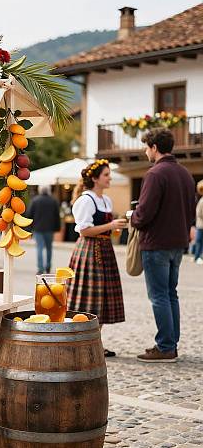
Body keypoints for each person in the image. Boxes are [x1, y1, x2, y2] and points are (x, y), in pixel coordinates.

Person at [131, 129, 195, 362]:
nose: (145, 151)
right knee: (171, 294)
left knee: (159, 296)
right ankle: (171, 344)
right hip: (177, 242)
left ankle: (166, 347)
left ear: (155, 147)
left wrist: (133, 217)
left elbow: (144, 213)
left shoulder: (155, 174)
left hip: (156, 242)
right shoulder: (185, 174)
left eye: (147, 147)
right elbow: (190, 212)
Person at [67, 159, 127, 357]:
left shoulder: (106, 200)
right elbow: (84, 231)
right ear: (95, 178)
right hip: (89, 251)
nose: (110, 178)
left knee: (101, 298)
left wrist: (113, 229)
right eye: (106, 175)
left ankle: (95, 343)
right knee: (88, 300)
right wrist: (110, 227)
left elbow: (101, 228)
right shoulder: (86, 200)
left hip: (104, 249)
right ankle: (83, 344)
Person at [26, 185, 61, 274]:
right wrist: (57, 228)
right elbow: (57, 216)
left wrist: (29, 228)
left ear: (39, 190)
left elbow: (29, 214)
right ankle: (48, 266)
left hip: (37, 228)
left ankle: (40, 268)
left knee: (39, 248)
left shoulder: (35, 200)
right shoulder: (53, 201)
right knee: (49, 248)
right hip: (50, 228)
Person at [194, 180, 203, 265]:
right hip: (201, 225)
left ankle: (198, 257)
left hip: (200, 225)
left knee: (199, 242)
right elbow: (200, 213)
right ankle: (198, 257)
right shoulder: (202, 201)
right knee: (199, 242)